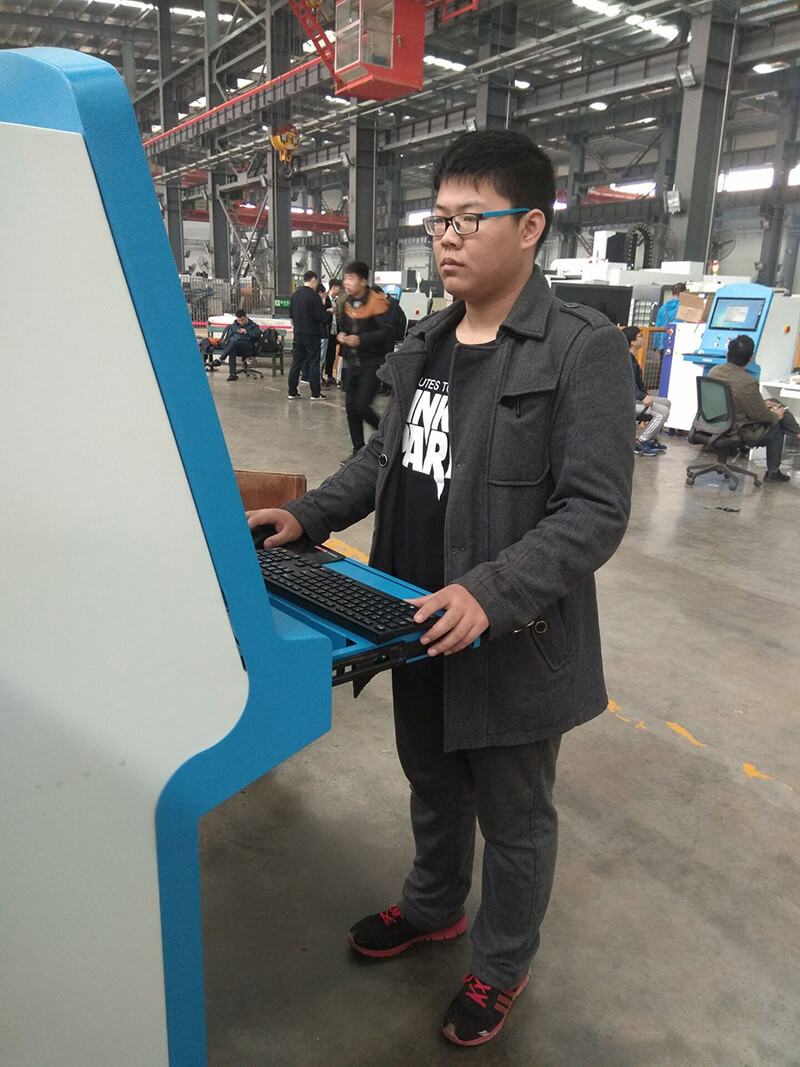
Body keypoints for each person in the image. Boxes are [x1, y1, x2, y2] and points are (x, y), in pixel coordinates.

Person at [246, 129, 633, 1047]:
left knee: (515, 816)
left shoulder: (580, 350)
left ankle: (501, 963)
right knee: (431, 779)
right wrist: (306, 515)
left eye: (470, 218)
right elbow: (383, 462)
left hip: (510, 635)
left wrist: (492, 591)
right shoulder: (424, 341)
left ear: (530, 226)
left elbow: (595, 510)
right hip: (409, 619)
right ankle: (432, 907)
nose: (447, 237)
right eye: (439, 219)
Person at [708, 334, 800, 482]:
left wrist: (763, 405)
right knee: (777, 424)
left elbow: (732, 399)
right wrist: (776, 415)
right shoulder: (747, 382)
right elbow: (761, 416)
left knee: (773, 402)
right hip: (736, 430)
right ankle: (773, 472)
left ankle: (797, 433)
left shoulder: (714, 371)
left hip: (713, 423)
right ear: (751, 358)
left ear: (727, 354)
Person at [337, 262, 395, 456]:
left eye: (351, 278)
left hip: (372, 363)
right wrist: (343, 335)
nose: (346, 282)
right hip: (352, 362)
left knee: (362, 407)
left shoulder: (377, 303)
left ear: (363, 281)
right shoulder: (348, 303)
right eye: (345, 278)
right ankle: (358, 451)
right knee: (351, 409)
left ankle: (388, 437)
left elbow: (387, 333)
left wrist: (361, 339)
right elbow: (346, 327)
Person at [622, 326, 671, 456]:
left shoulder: (632, 358)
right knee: (662, 412)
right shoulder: (625, 360)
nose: (644, 338)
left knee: (666, 403)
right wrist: (642, 397)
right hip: (626, 401)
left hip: (634, 397)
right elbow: (626, 384)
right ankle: (640, 442)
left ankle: (651, 439)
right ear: (633, 342)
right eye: (640, 336)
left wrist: (645, 394)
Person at [287, 270, 329, 400]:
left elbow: (291, 315)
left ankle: (292, 392)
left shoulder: (294, 295)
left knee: (296, 363)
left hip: (298, 334)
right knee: (313, 363)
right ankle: (315, 393)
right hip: (312, 335)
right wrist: (328, 312)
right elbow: (322, 317)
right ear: (314, 280)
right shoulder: (314, 297)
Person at [214, 309, 261, 381]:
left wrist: (246, 332)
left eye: (242, 320)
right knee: (232, 350)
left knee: (234, 344)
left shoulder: (253, 325)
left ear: (246, 317)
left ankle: (220, 359)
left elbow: (258, 336)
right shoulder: (234, 326)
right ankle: (232, 375)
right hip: (236, 346)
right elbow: (229, 337)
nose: (241, 322)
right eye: (239, 320)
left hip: (248, 347)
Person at [653, 282, 686, 351]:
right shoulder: (684, 308)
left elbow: (657, 328)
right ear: (683, 293)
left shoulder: (662, 308)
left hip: (663, 344)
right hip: (678, 343)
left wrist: (655, 345)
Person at [323, 279, 342, 386]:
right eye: (339, 288)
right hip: (326, 331)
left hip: (334, 331)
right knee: (324, 355)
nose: (340, 290)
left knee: (331, 355)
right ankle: (321, 376)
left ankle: (329, 375)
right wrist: (328, 311)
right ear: (333, 287)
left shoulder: (336, 301)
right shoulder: (325, 299)